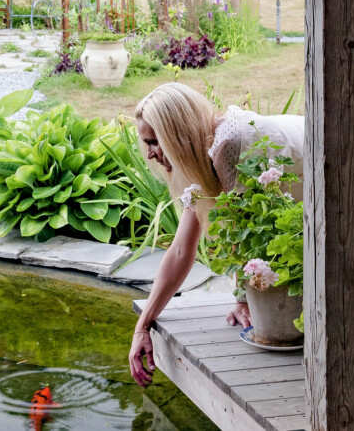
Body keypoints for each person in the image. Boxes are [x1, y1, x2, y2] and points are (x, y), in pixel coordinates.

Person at [128, 83, 304, 387]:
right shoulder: (202, 156)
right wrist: (141, 328)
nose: (151, 153)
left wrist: (244, 297)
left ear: (178, 135)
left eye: (155, 141)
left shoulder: (229, 146)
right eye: (147, 143)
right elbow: (181, 251)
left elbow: (248, 233)